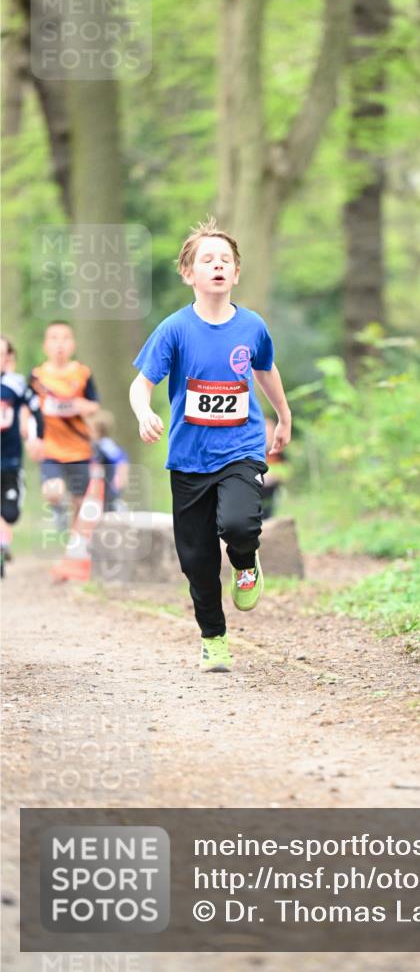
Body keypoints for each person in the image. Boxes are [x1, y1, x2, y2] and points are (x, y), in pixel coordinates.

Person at [129, 218, 291, 674]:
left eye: (225, 260)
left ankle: (245, 561)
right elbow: (141, 384)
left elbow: (265, 370)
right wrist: (144, 413)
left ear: (236, 273)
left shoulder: (252, 326)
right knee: (197, 559)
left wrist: (284, 415)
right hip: (189, 457)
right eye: (207, 260)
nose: (217, 266)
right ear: (189, 273)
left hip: (240, 448)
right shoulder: (175, 329)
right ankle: (214, 638)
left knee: (239, 523)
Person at [29, 321, 100, 533]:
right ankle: (58, 507)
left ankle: (75, 542)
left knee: (80, 503)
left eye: (65, 338)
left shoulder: (82, 373)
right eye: (54, 338)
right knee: (53, 490)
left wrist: (81, 406)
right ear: (45, 345)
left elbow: (94, 405)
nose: (59, 344)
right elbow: (27, 409)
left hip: (79, 449)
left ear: (73, 345)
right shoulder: (37, 377)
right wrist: (31, 438)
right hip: (51, 448)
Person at [1, 336, 45, 575]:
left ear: (8, 358)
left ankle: (2, 541)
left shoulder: (15, 384)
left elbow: (36, 408)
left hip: (10, 459)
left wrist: (37, 437)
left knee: (11, 513)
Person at [88, 410, 130, 512]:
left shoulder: (100, 448)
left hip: (102, 495)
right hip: (109, 495)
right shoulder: (115, 449)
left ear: (97, 431)